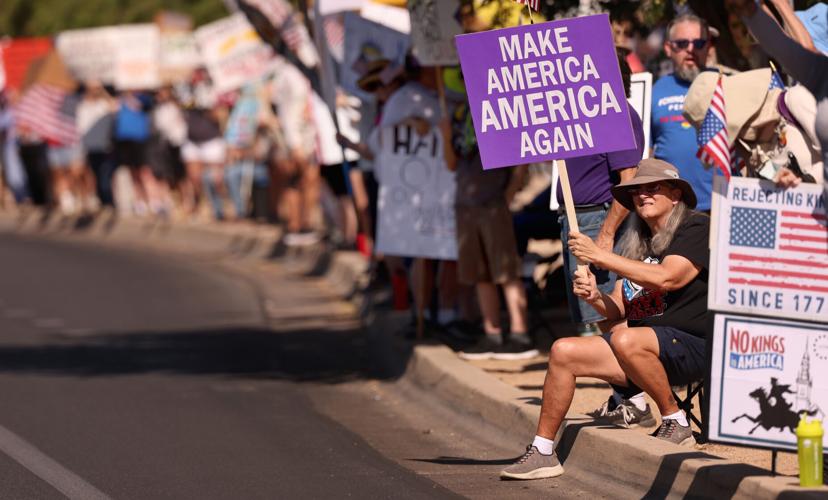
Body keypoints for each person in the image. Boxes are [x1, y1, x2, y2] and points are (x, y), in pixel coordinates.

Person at [501, 159, 712, 480]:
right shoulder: (635, 239)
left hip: (692, 347)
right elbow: (618, 308)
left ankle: (675, 420)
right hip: (642, 354)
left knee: (625, 338)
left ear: (675, 195)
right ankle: (543, 450)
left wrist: (601, 255)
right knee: (563, 352)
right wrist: (594, 297)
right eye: (637, 191)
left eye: (653, 188)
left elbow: (669, 278)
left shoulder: (695, 227)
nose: (643, 196)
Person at [440, 76, 536, 361]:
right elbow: (451, 163)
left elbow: (521, 158)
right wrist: (445, 136)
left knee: (505, 269)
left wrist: (509, 193)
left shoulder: (499, 112)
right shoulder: (458, 118)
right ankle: (491, 331)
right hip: (466, 204)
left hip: (493, 202)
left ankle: (519, 333)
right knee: (479, 272)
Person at [557, 48, 644, 340]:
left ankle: (628, 384)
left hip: (598, 219)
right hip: (577, 219)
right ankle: (623, 384)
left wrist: (606, 234)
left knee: (608, 314)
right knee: (591, 315)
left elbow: (628, 180)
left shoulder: (616, 111)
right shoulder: (585, 113)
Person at [727, 0, 828, 201]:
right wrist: (750, 9)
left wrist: (781, 7)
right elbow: (781, 46)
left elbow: (803, 49)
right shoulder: (819, 80)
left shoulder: (799, 98)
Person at [651, 14, 715, 212]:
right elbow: (646, 153)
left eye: (699, 42)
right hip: (672, 209)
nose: (690, 49)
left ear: (708, 46)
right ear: (668, 48)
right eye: (682, 43)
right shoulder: (655, 91)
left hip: (721, 206)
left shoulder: (726, 84)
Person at [76, 80, 117, 209]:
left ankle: (109, 203)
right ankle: (101, 202)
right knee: (94, 176)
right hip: (90, 148)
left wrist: (102, 90)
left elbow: (114, 107)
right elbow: (80, 128)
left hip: (105, 147)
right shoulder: (82, 106)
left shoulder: (103, 104)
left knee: (105, 177)